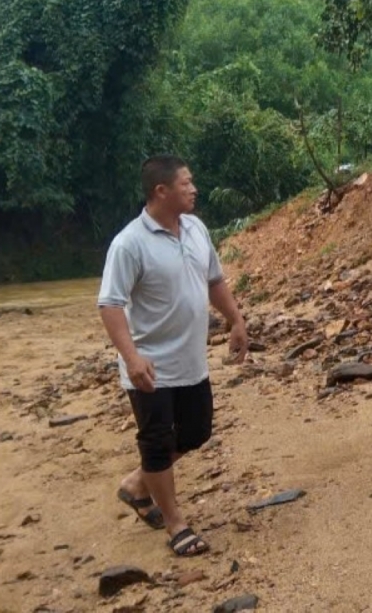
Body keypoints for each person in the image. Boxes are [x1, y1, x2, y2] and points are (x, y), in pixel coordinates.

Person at [97, 155, 248, 557]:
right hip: (149, 366)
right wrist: (131, 357)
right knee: (158, 443)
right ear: (161, 191)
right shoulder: (129, 243)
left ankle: (137, 484)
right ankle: (175, 524)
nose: (193, 189)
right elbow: (110, 304)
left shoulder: (196, 229)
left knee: (197, 430)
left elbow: (213, 279)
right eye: (186, 183)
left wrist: (235, 319)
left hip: (190, 360)